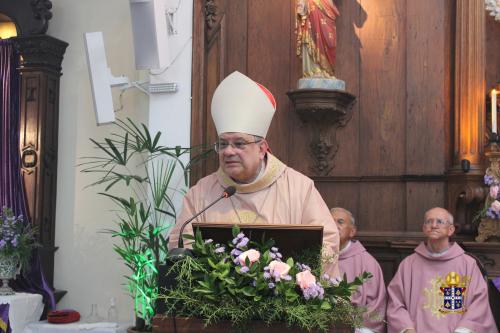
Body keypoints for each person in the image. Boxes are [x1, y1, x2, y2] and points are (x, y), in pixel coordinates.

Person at [168, 71, 340, 276]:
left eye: (239, 143)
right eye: (223, 144)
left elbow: (327, 242)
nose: (228, 151)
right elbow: (180, 242)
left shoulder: (299, 188)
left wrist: (290, 279)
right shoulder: (201, 194)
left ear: (262, 149)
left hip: (285, 303)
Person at [387, 207, 498, 333]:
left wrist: (463, 330)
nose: (433, 225)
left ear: (451, 230)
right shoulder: (408, 265)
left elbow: (479, 304)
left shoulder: (467, 264)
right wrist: (407, 329)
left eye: (439, 222)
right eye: (429, 222)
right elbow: (395, 303)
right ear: (424, 229)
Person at [332, 207, 387, 333]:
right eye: (330, 221)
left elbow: (376, 305)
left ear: (352, 231)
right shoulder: (315, 257)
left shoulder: (367, 263)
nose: (334, 226)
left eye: (340, 222)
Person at [296, 0, 340, 78]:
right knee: (312, 33)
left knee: (329, 40)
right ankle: (313, 70)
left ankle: (327, 71)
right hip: (312, 5)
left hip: (327, 7)